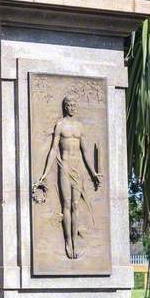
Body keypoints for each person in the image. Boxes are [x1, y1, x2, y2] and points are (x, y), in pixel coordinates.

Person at [32, 95, 101, 259]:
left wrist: (93, 173)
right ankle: (68, 241)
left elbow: (84, 152)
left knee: (76, 204)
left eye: (73, 104)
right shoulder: (60, 125)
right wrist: (45, 173)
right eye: (68, 104)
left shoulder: (79, 126)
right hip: (64, 166)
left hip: (78, 169)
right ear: (65, 107)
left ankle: (75, 241)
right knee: (67, 203)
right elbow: (53, 150)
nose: (71, 107)